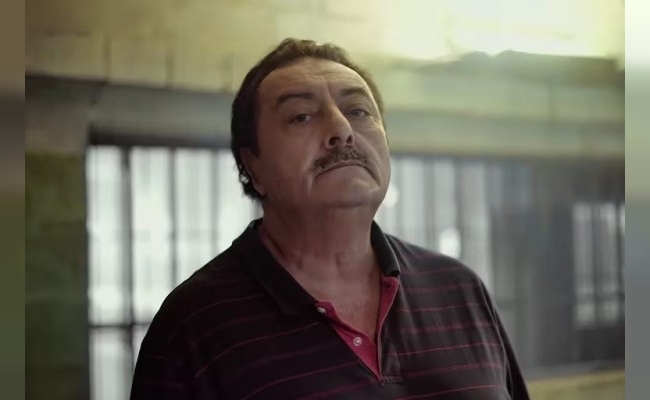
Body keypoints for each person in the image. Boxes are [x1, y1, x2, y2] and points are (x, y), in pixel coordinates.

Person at [130, 38, 530, 400]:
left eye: (358, 111)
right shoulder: (193, 326)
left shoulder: (458, 288)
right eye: (302, 116)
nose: (342, 130)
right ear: (253, 166)